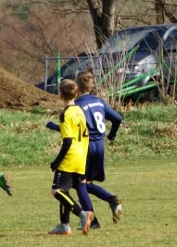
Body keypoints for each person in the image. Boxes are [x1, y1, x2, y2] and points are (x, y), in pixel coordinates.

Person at [74, 70, 122, 227]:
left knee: (79, 184)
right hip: (100, 146)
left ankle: (93, 220)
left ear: (76, 86)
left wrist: (54, 126)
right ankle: (111, 200)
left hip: (86, 147)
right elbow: (117, 118)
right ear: (90, 85)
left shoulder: (77, 105)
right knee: (86, 183)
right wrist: (112, 135)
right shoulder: (98, 102)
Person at [48, 79, 94, 236]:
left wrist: (57, 161)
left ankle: (82, 214)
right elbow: (77, 133)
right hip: (82, 155)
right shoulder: (79, 110)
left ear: (60, 96)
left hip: (70, 156)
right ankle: (64, 226)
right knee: (65, 191)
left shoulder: (65, 114)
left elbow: (68, 141)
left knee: (56, 191)